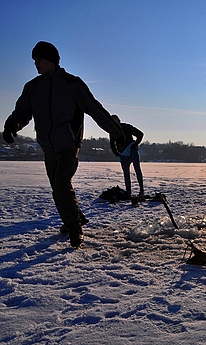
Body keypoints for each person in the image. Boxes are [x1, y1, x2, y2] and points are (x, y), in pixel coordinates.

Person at [2, 41, 124, 248]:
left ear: (51, 60)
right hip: (48, 148)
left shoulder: (72, 84)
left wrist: (117, 132)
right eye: (34, 60)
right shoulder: (33, 87)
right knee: (58, 188)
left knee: (61, 186)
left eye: (39, 59)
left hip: (68, 145)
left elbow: (95, 109)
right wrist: (12, 125)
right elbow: (23, 111)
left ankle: (75, 229)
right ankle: (75, 217)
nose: (36, 63)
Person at [109, 115, 145, 199]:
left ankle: (141, 192)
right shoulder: (112, 131)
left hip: (132, 152)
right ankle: (128, 193)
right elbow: (112, 144)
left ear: (118, 121)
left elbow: (140, 134)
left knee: (137, 171)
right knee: (126, 174)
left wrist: (135, 145)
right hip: (123, 154)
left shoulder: (126, 127)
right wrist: (116, 153)